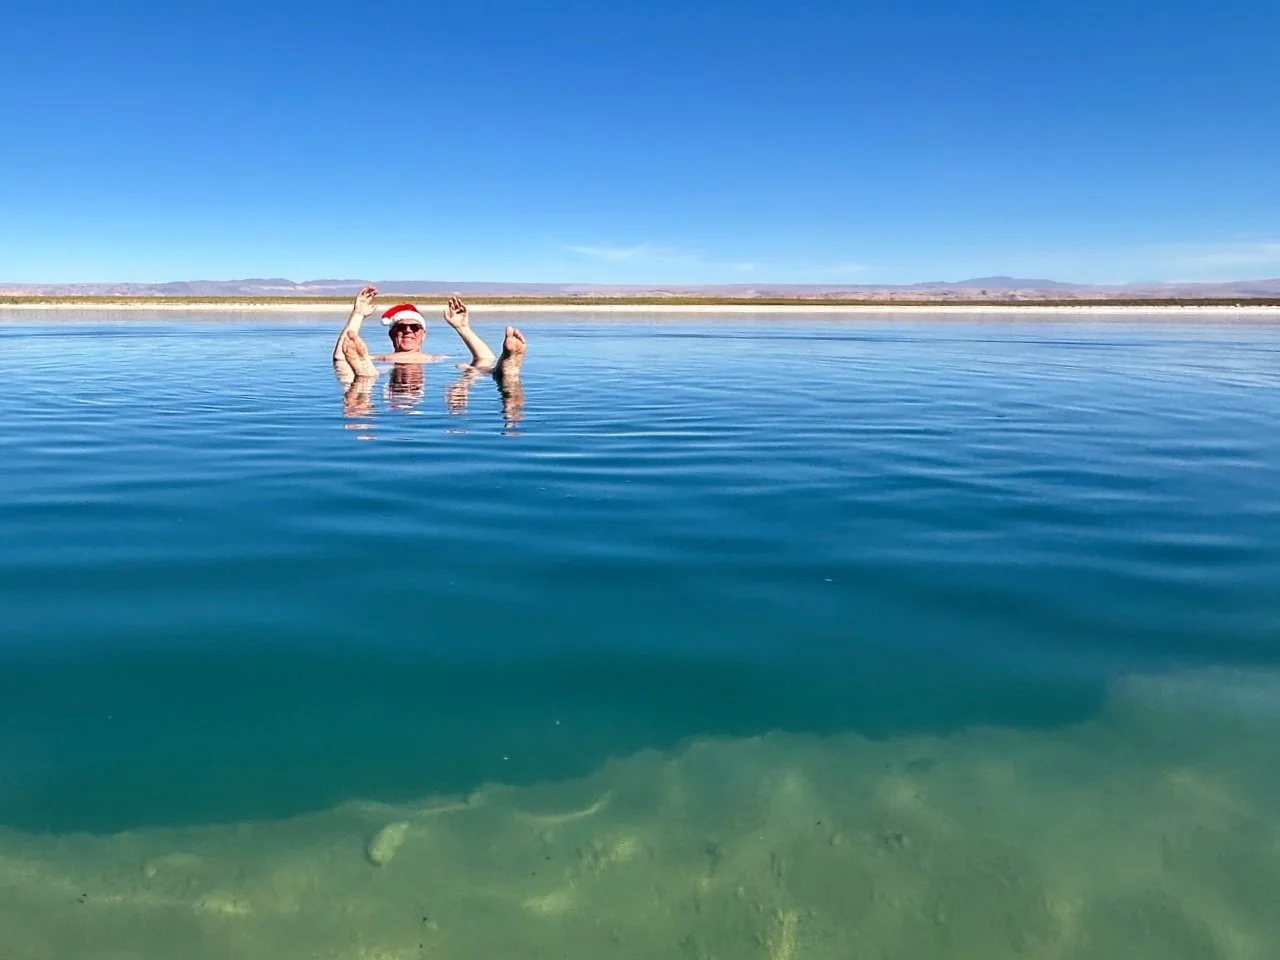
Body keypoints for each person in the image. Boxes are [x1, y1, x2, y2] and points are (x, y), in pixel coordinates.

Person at [333, 285, 527, 421]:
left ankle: (508, 368)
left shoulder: (437, 358)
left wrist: (463, 328)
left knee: (475, 368)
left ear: (423, 335)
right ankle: (365, 375)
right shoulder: (377, 358)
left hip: (391, 368)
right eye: (401, 328)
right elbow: (340, 357)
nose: (408, 331)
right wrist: (357, 314)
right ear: (392, 334)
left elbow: (485, 359)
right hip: (380, 369)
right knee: (363, 371)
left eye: (414, 327)